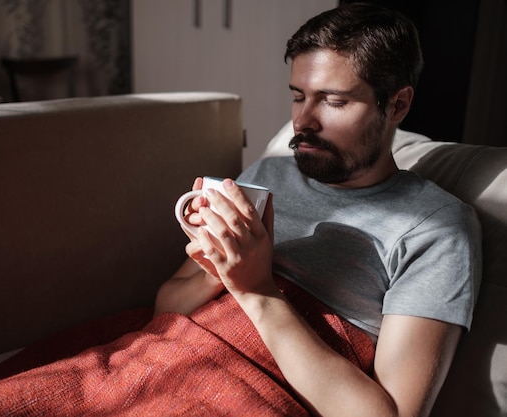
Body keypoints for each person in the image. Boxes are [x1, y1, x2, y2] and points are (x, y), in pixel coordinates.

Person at [155, 3, 482, 417]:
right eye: (298, 97)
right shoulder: (269, 174)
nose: (303, 121)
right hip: (162, 357)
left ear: (397, 105)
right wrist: (214, 274)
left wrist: (255, 290)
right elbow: (165, 307)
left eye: (333, 101)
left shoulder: (436, 228)